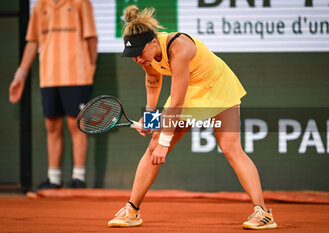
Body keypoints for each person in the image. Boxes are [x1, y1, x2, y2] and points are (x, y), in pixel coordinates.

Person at [107, 5, 277, 230]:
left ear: (154, 42)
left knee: (230, 148)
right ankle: (131, 210)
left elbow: (177, 102)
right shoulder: (146, 56)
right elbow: (154, 80)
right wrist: (149, 116)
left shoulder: (180, 49)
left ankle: (262, 212)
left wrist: (164, 143)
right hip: (188, 91)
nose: (138, 59)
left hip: (217, 88)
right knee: (153, 145)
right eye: (133, 55)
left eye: (140, 53)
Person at [9, 0, 98, 190]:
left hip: (77, 75)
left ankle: (78, 177)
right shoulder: (39, 6)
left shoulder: (81, 3)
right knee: (52, 125)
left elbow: (92, 38)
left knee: (76, 124)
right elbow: (33, 41)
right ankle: (54, 178)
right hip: (48, 77)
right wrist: (20, 75)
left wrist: (91, 69)